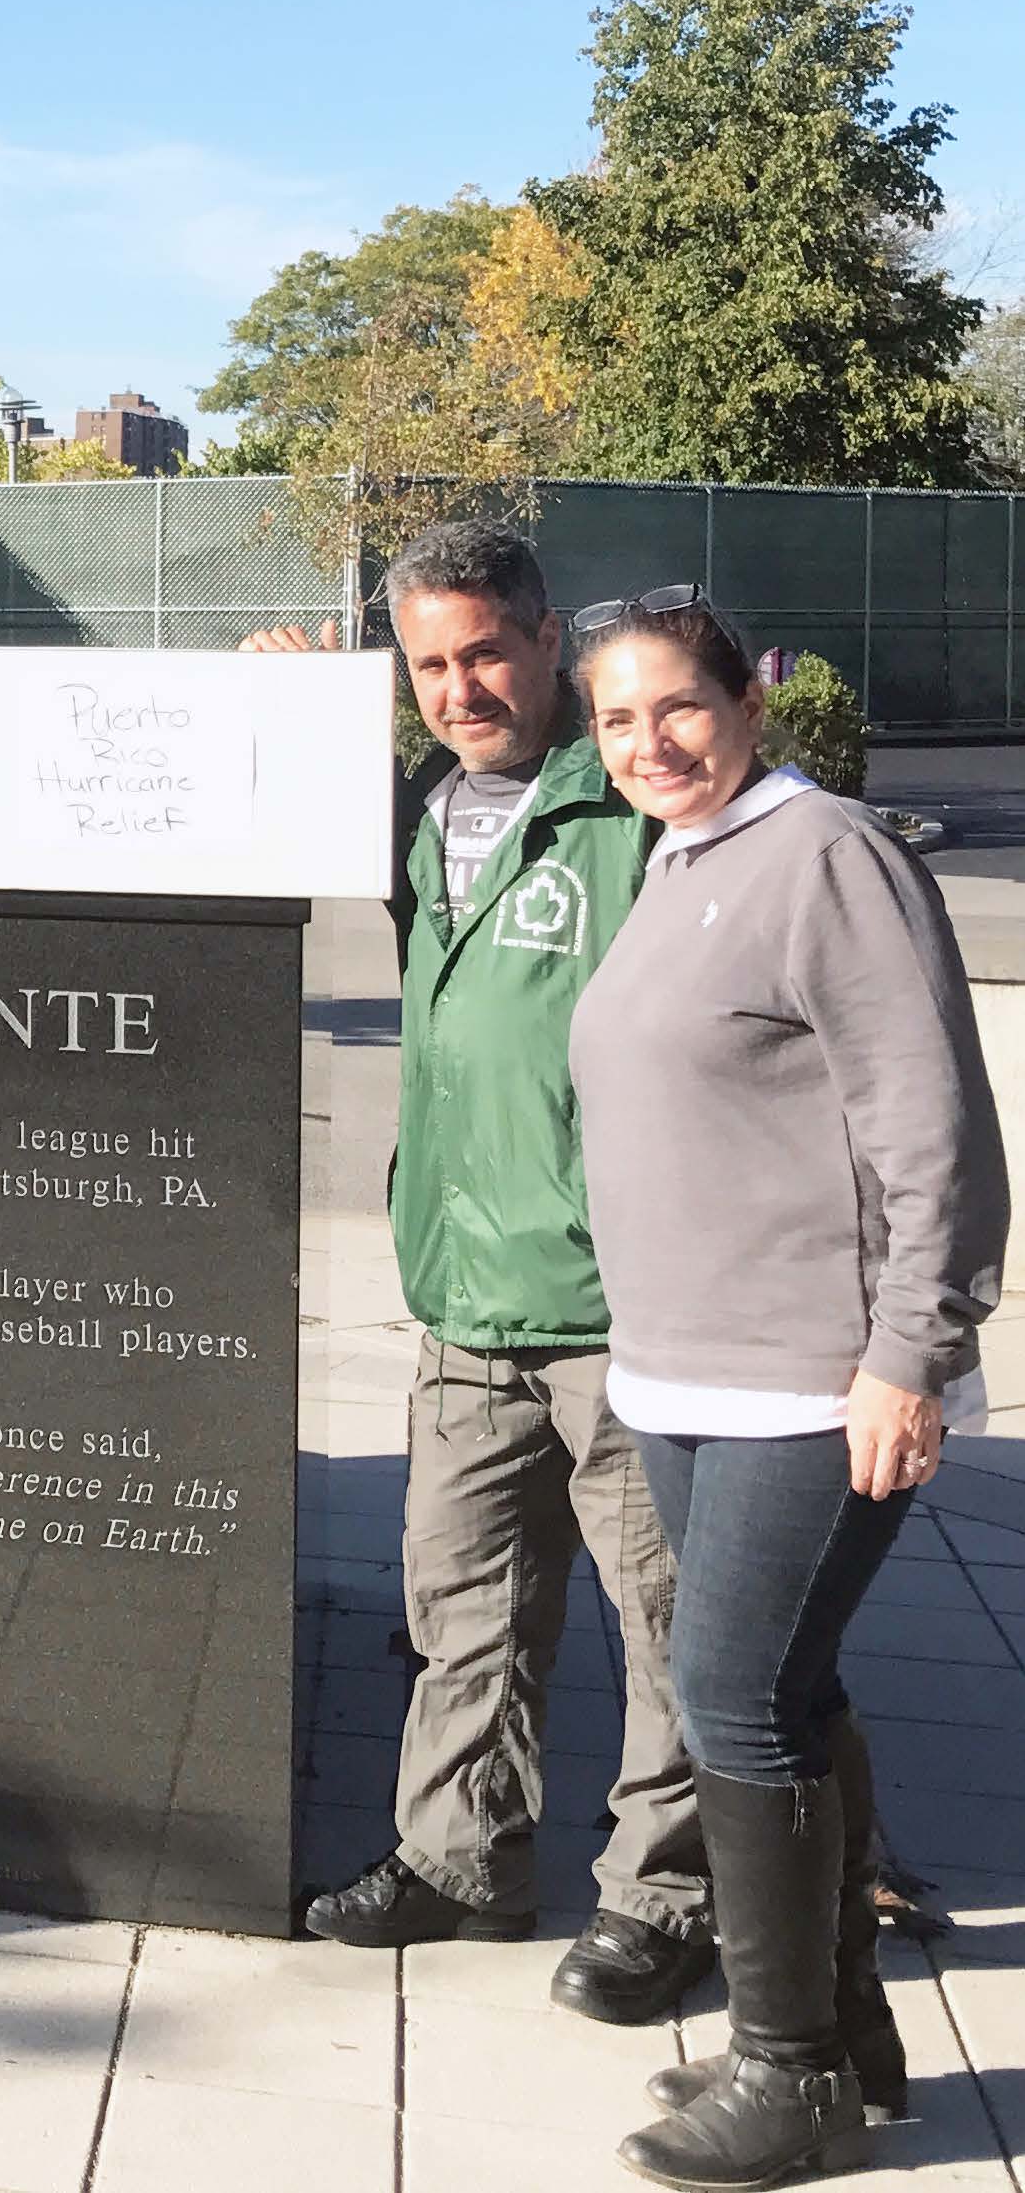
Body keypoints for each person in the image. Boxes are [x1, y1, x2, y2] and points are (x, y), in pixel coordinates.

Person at [568, 587, 1005, 2189]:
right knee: (782, 1691)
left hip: (805, 1379)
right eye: (614, 717)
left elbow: (932, 1125)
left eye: (673, 706)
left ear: (745, 703)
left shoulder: (825, 853)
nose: (646, 741)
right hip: (683, 1365)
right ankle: (846, 2038)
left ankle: (787, 2072)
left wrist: (911, 1350)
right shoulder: (680, 857)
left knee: (732, 1697)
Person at [257, 522, 711, 2021]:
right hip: (461, 1297)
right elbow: (251, 789)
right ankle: (459, 1860)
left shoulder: (629, 806)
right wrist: (287, 700)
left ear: (542, 642)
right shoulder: (413, 815)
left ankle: (662, 1898)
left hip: (622, 1308)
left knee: (666, 1630)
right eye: (428, 664)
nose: (461, 686)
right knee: (461, 1606)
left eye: (486, 651)